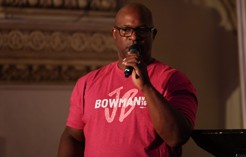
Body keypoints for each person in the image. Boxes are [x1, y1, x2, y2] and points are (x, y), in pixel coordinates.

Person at [57, 2, 198, 157]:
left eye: (142, 30)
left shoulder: (174, 80)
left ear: (153, 34)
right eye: (125, 30)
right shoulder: (88, 82)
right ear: (114, 34)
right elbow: (73, 136)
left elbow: (176, 137)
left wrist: (146, 87)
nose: (134, 37)